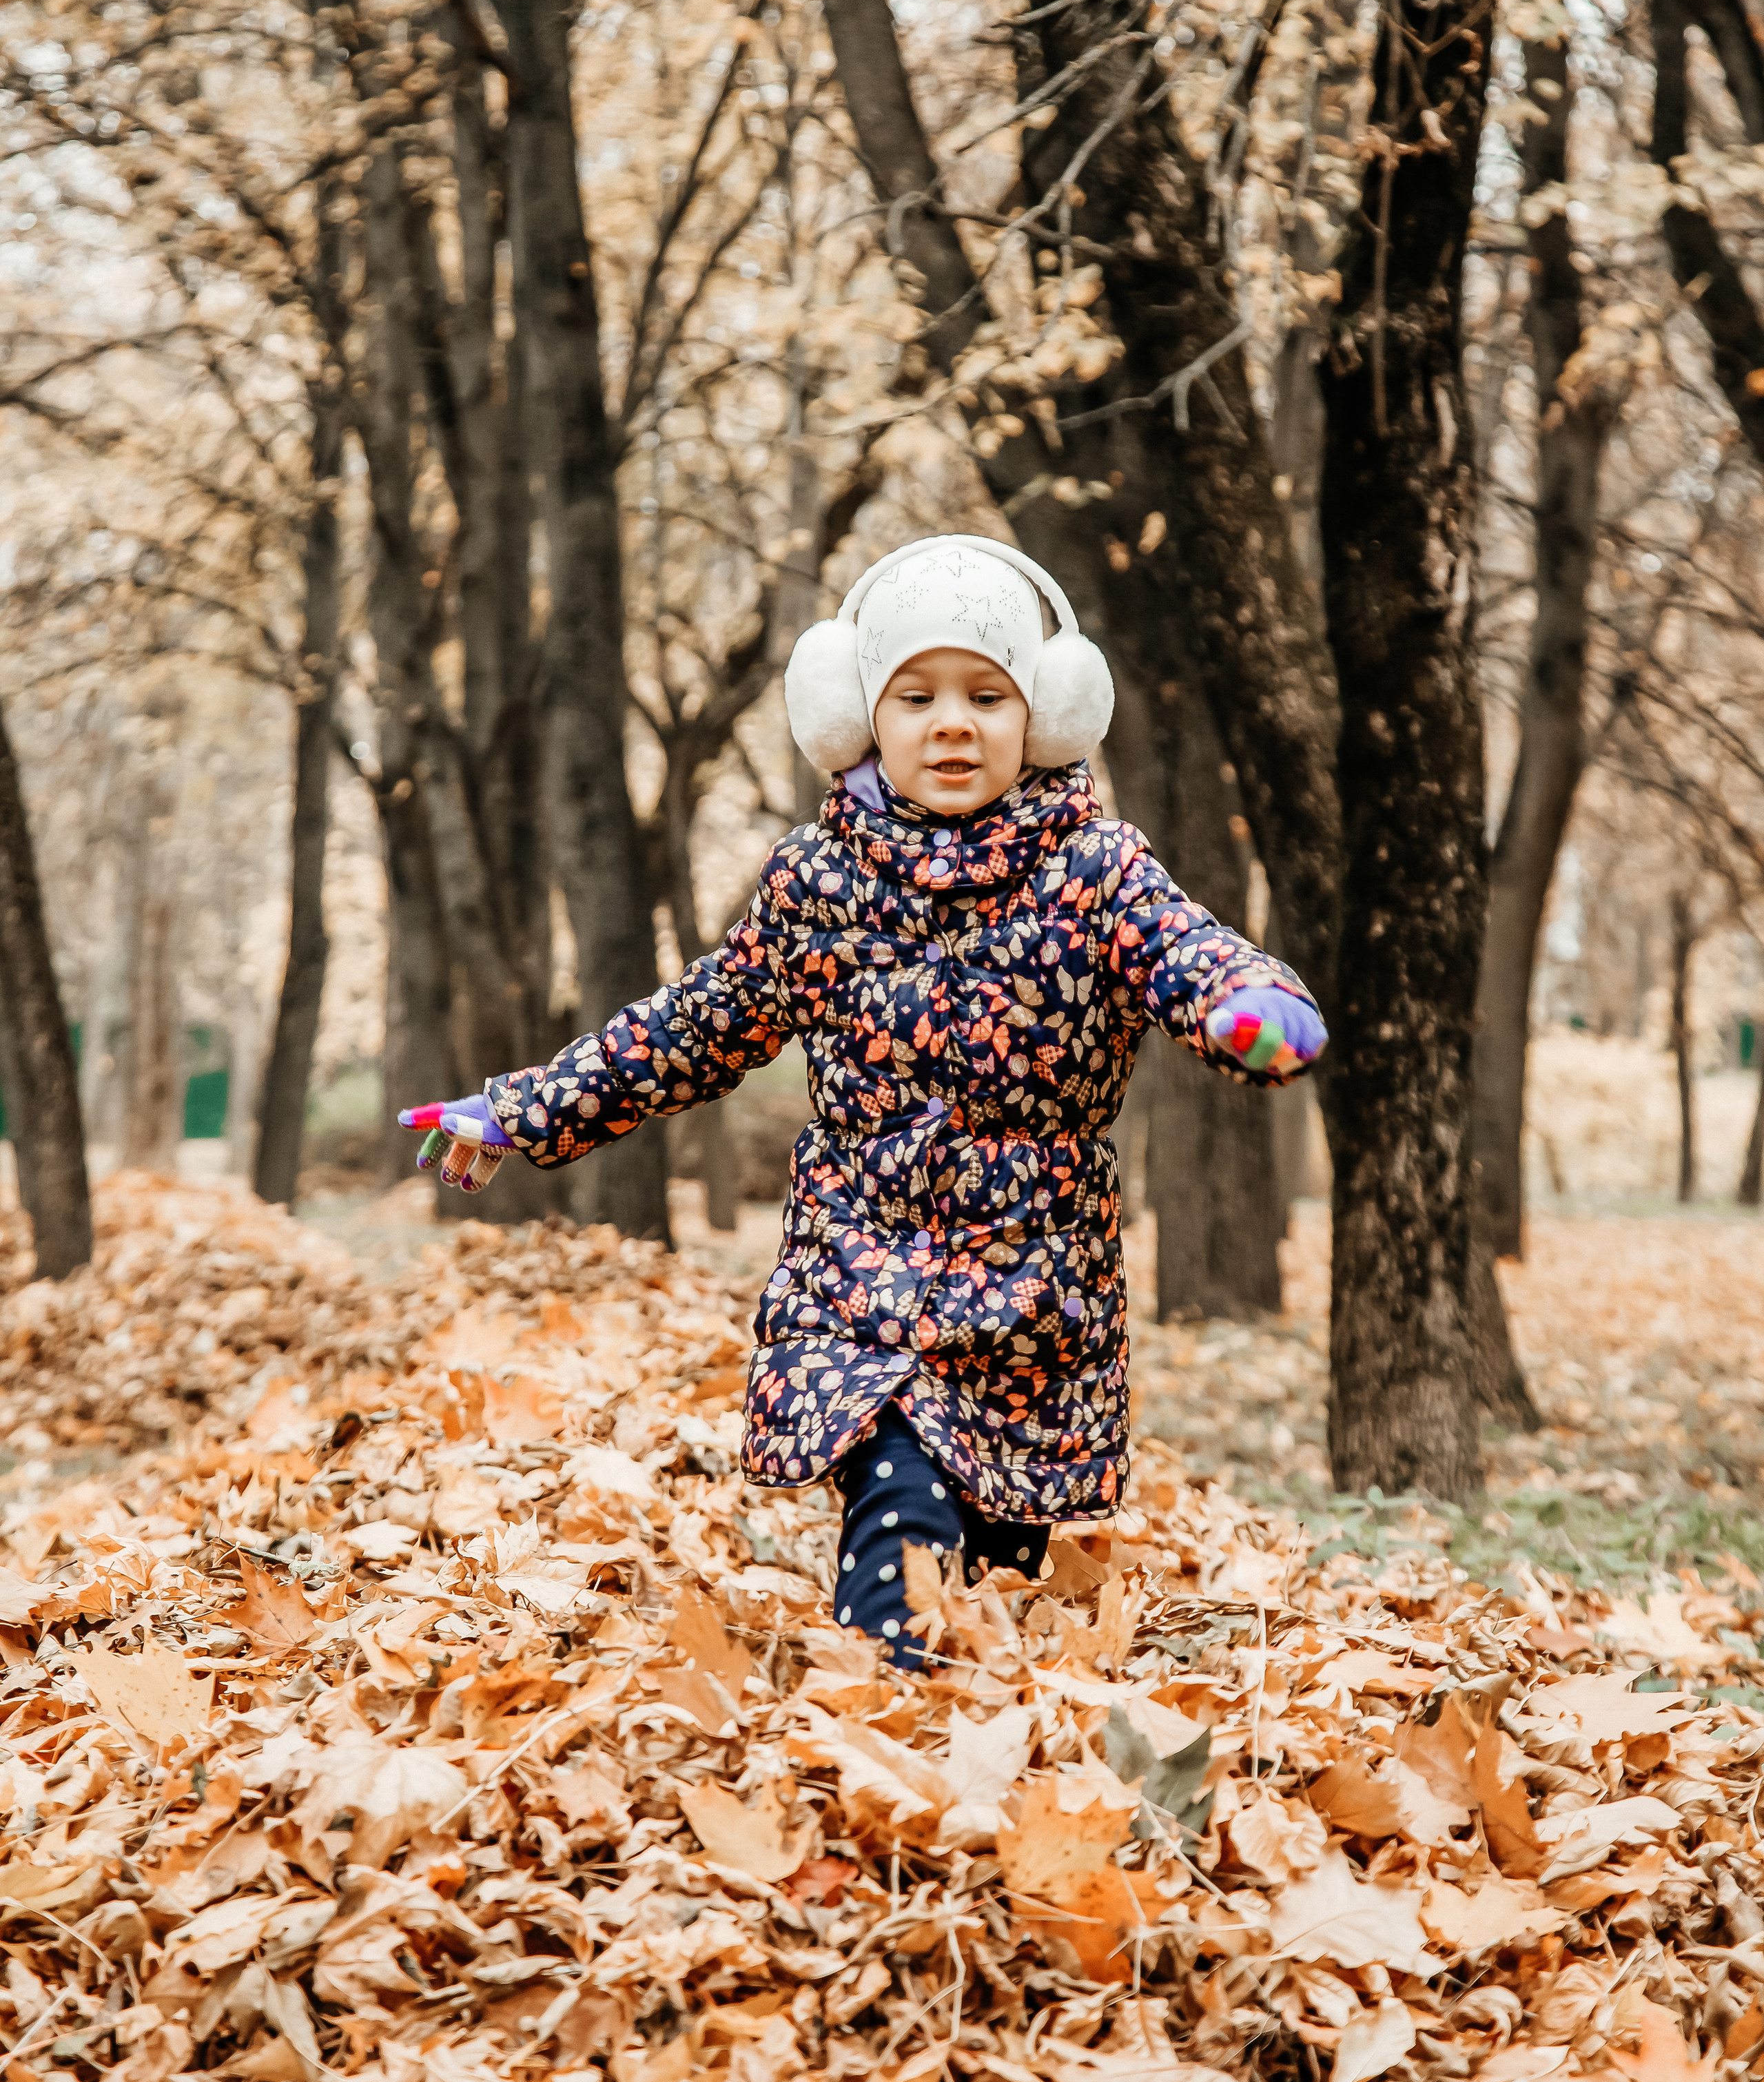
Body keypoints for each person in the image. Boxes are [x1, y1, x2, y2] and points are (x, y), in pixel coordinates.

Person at [400, 535, 1326, 1658]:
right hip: (860, 1260)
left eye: (989, 695)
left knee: (993, 1571)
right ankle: (875, 1717)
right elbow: (699, 1024)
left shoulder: (1099, 868)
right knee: (898, 1508)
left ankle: (956, 1753)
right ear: (858, 714)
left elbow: (1191, 954)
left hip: (1030, 1277)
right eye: (918, 695)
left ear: (1045, 713)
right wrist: (525, 1108)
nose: (953, 723)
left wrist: (1251, 1005)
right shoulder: (816, 880)